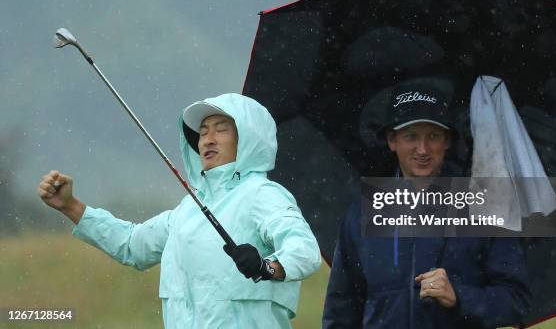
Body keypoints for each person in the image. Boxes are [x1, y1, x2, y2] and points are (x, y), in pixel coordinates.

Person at [37, 93, 321, 329]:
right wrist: (72, 207)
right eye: (203, 132)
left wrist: (267, 267)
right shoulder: (188, 210)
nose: (208, 139)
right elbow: (132, 246)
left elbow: (304, 249)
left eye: (221, 129)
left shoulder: (262, 194)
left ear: (248, 139)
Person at [322, 80, 530, 328]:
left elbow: (516, 301)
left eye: (433, 136)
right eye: (411, 136)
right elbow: (342, 309)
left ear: (447, 142)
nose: (423, 149)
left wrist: (459, 297)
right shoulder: (362, 212)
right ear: (392, 140)